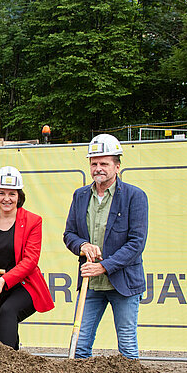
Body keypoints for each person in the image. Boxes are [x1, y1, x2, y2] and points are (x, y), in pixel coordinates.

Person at [63, 134, 148, 359]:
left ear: (117, 167)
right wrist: (82, 245)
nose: (98, 168)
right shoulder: (80, 196)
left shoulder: (134, 197)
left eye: (104, 163)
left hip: (124, 283)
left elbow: (136, 243)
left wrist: (104, 266)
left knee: (127, 348)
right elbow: (69, 234)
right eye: (94, 163)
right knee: (79, 347)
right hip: (91, 284)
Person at [0, 166, 55, 349]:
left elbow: (30, 261)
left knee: (8, 311)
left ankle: (1, 366)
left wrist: (4, 280)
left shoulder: (33, 221)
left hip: (25, 285)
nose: (6, 199)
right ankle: (12, 366)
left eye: (12, 194)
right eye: (1, 193)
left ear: (19, 196)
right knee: (0, 323)